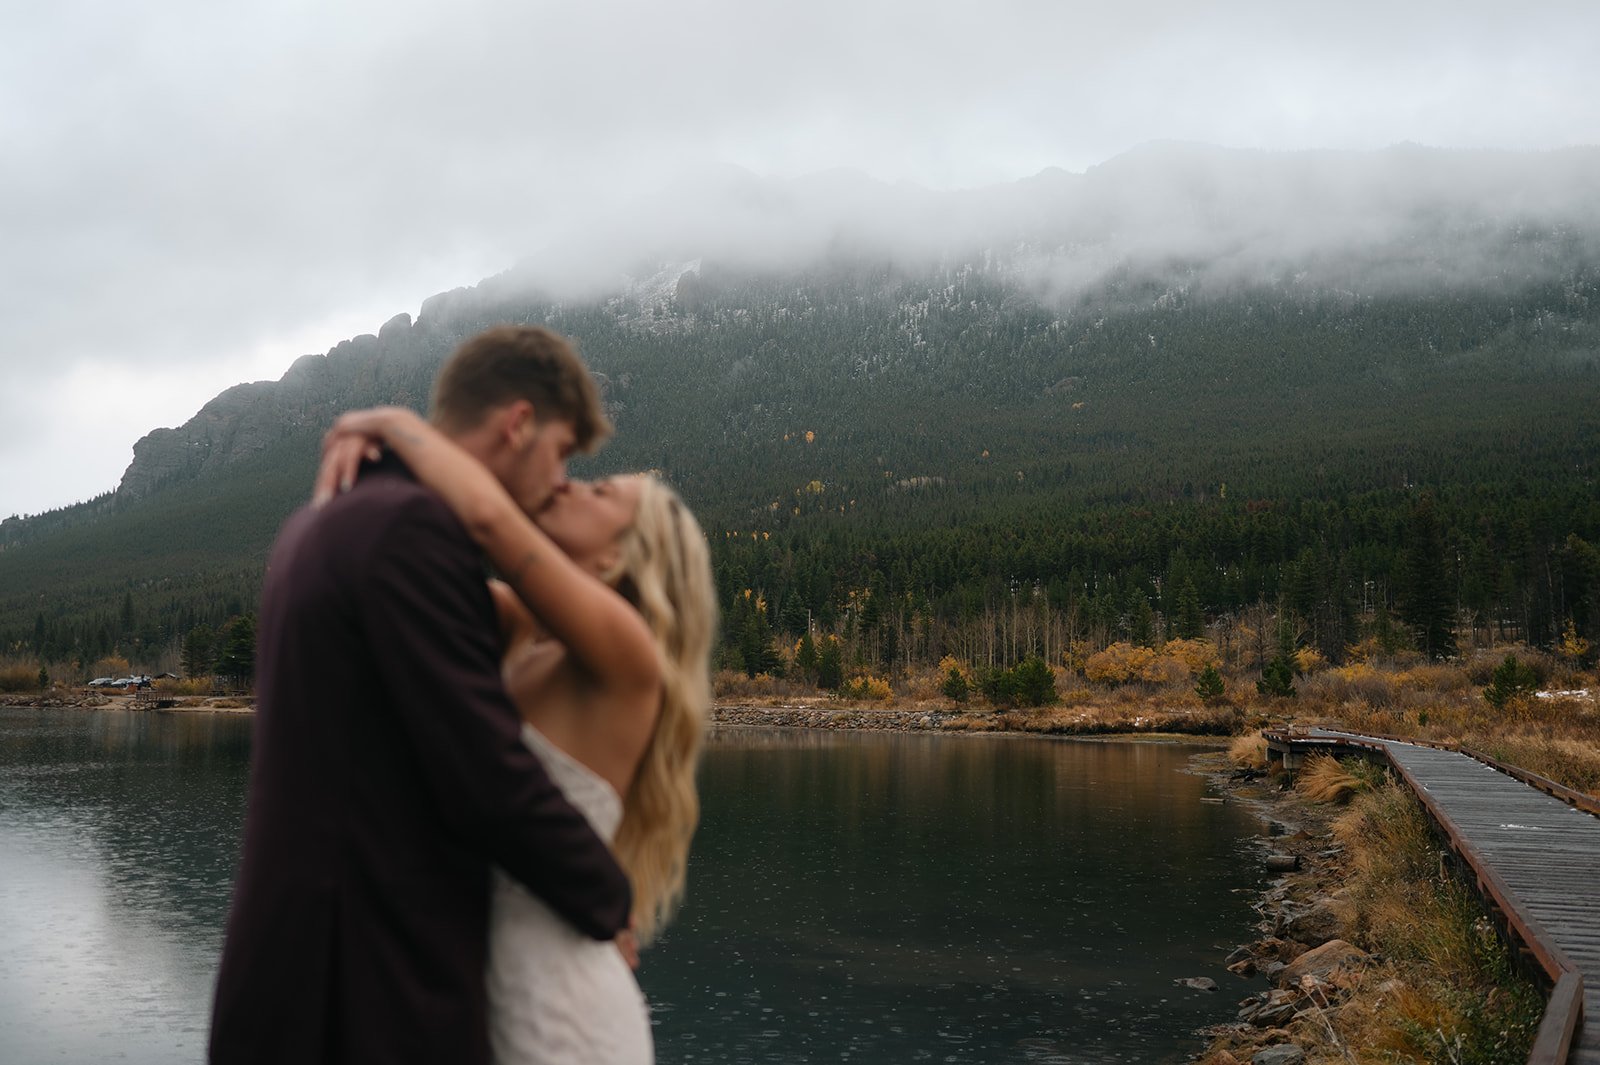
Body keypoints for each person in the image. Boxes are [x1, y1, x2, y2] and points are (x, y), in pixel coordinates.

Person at [209, 326, 633, 1065]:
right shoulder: (413, 532)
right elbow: (483, 771)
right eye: (563, 451)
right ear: (519, 422)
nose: (559, 480)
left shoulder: (316, 522)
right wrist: (608, 900)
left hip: (289, 976)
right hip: (362, 992)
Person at [315, 404, 717, 1065]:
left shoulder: (626, 653)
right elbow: (425, 563)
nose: (569, 484)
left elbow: (486, 516)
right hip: (484, 998)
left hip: (565, 1014)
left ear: (618, 551)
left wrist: (388, 422)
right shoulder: (525, 630)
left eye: (599, 491)